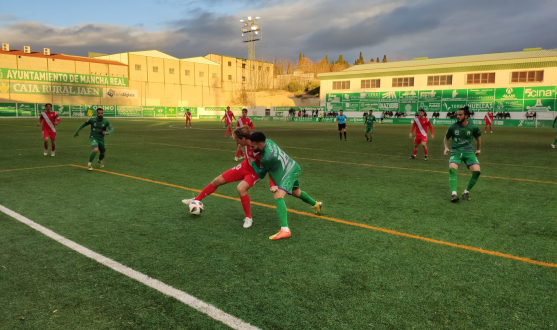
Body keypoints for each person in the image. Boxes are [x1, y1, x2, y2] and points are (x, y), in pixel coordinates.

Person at [182, 126, 263, 229]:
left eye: (237, 140)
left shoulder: (257, 146)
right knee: (217, 181)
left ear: (243, 139)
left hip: (255, 172)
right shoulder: (247, 140)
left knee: (241, 188)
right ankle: (196, 199)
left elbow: (268, 164)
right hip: (245, 166)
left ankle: (248, 217)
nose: (237, 143)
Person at [248, 132, 322, 240]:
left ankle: (285, 230)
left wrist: (253, 162)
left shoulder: (266, 158)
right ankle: (316, 204)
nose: (251, 148)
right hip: (292, 166)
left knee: (278, 196)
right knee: (296, 192)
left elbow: (261, 174)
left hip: (289, 172)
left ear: (260, 144)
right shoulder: (269, 141)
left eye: (252, 146)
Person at [444, 106, 481, 203]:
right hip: (456, 151)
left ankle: (466, 192)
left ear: (466, 116)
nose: (457, 116)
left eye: (460, 115)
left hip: (468, 152)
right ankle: (454, 194)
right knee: (452, 169)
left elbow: (478, 138)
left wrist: (478, 150)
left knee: (477, 172)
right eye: (457, 114)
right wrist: (446, 147)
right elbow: (446, 138)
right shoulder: (452, 127)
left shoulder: (473, 127)